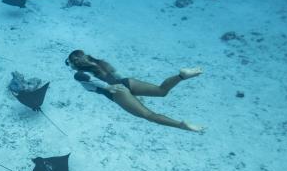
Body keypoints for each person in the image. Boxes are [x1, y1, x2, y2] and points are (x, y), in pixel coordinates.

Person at [65, 50, 205, 132]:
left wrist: (108, 87)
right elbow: (117, 75)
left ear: (74, 64)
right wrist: (129, 91)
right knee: (161, 90)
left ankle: (182, 125)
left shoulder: (79, 75)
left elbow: (88, 79)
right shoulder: (101, 62)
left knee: (149, 115)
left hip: (117, 92)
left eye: (69, 62)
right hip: (126, 82)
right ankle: (182, 75)